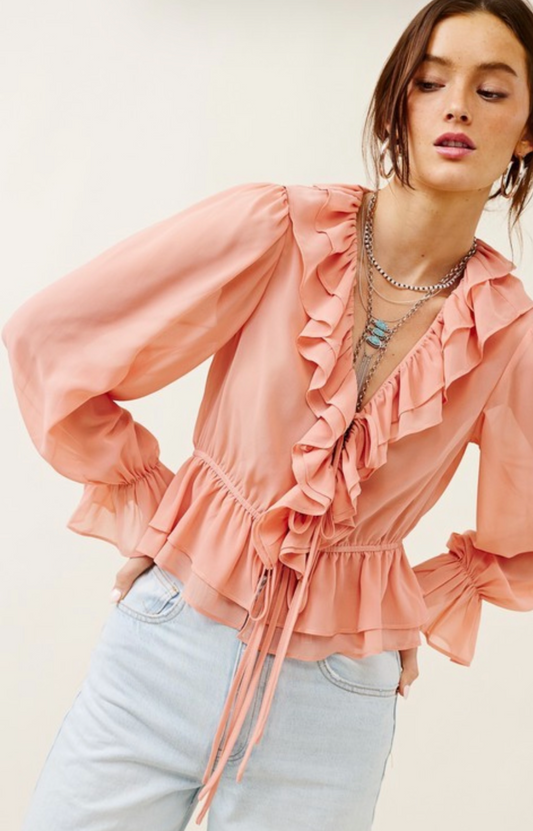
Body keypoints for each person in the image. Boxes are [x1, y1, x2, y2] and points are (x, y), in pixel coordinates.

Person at [4, 0, 533, 829]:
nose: (457, 105)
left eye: (492, 90)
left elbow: (520, 533)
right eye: (431, 82)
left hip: (333, 702)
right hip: (169, 642)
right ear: (399, 103)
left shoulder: (506, 332)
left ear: (528, 130)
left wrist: (395, 599)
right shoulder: (280, 228)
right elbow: (52, 338)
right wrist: (158, 509)